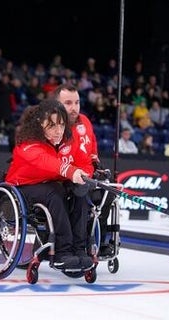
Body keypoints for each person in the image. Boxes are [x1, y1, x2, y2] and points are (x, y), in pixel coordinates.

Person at [4, 99, 93, 270]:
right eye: (52, 126)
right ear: (40, 124)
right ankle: (62, 252)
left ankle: (79, 249)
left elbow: (84, 162)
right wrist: (70, 172)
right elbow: (46, 161)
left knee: (80, 192)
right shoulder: (27, 143)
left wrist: (85, 175)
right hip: (23, 187)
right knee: (56, 191)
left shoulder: (68, 140)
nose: (58, 131)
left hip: (53, 184)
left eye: (61, 124)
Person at [51, 83, 114, 257]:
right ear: (57, 104)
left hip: (87, 174)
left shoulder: (85, 121)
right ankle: (77, 245)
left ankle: (98, 242)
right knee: (81, 193)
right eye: (68, 103)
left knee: (109, 193)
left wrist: (95, 160)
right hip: (64, 177)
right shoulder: (52, 126)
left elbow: (92, 144)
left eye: (77, 102)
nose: (74, 108)